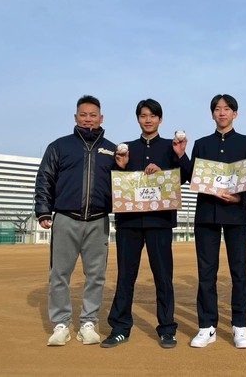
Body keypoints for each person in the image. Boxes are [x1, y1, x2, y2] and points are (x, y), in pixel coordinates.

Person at [100, 99, 191, 349]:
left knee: (163, 276)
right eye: (143, 115)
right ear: (138, 119)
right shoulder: (125, 148)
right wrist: (119, 167)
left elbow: (187, 176)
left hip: (159, 222)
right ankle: (120, 328)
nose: (148, 120)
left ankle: (167, 329)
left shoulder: (171, 147)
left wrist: (179, 156)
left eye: (152, 115)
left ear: (160, 119)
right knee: (125, 276)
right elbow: (115, 185)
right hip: (129, 222)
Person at [35, 95, 120, 346]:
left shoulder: (113, 150)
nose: (88, 119)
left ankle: (88, 323)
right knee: (59, 274)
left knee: (96, 275)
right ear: (75, 117)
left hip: (98, 220)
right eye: (83, 114)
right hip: (65, 218)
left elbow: (123, 184)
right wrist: (43, 211)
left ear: (101, 118)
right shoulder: (59, 146)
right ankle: (61, 324)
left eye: (93, 115)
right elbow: (45, 178)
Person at [188, 94, 246, 349]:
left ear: (235, 114)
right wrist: (181, 155)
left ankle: (240, 326)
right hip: (207, 214)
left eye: (227, 109)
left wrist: (240, 197)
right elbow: (193, 176)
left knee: (239, 272)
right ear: (212, 114)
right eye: (217, 109)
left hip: (236, 214)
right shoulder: (201, 144)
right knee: (207, 273)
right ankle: (207, 326)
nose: (222, 113)